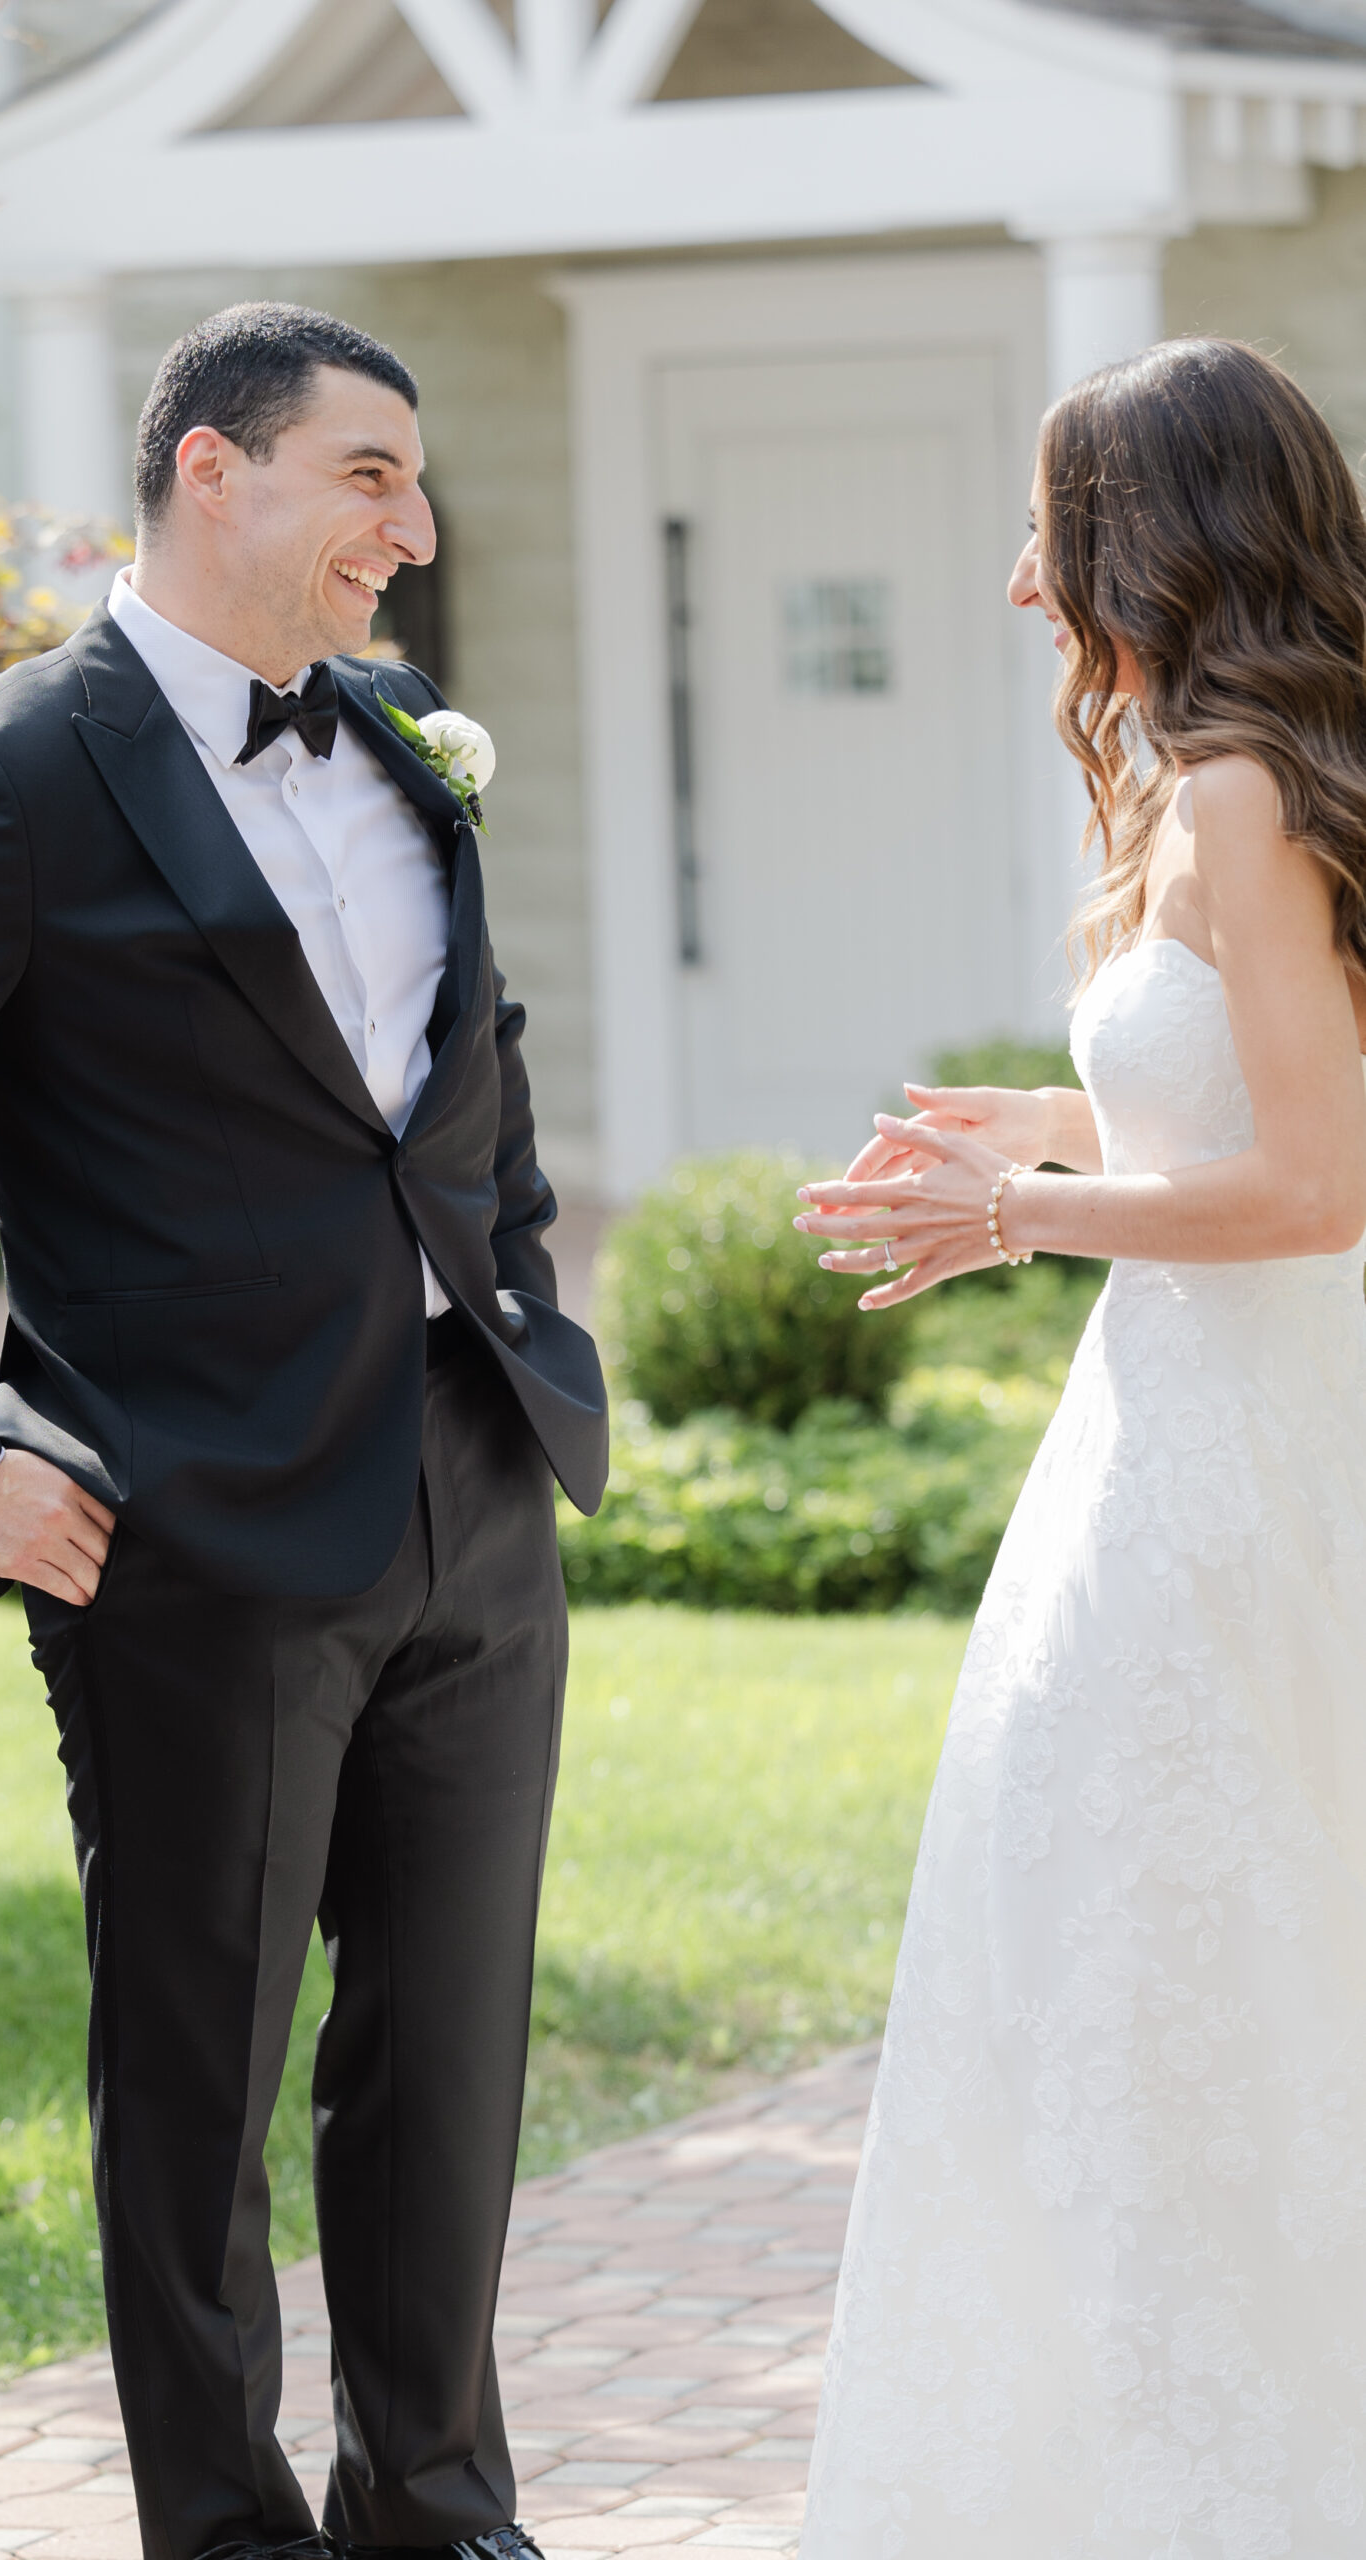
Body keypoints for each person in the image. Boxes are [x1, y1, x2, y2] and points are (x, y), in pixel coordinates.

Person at [0, 301, 608, 2560]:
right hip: (186, 1533)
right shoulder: (1, 775)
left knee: (447, 2058)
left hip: (468, 1484)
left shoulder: (407, 733)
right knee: (197, 2079)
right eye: (367, 475)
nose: (410, 528)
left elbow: (455, 1065)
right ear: (210, 469)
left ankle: (433, 2507)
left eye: (412, 482)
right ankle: (220, 2530)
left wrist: (505, 1291)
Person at [793, 338, 1366, 2556]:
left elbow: (1319, 1185)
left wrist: (1010, 1214)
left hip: (1219, 1470)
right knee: (1128, 1966)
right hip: (1176, 1443)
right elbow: (1218, 1099)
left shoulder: (1235, 785)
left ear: (1148, 534)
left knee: (1155, 1971)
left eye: (1049, 526)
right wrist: (1019, 1127)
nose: (1021, 582)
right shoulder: (1209, 777)